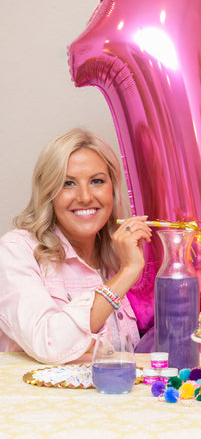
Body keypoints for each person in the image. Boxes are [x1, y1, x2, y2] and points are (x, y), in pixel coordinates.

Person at [0, 128, 152, 364]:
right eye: (68, 183)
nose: (84, 197)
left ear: (112, 190)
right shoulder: (17, 251)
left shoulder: (117, 255)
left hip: (115, 398)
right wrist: (127, 273)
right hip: (41, 401)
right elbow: (49, 344)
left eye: (97, 181)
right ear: (48, 193)